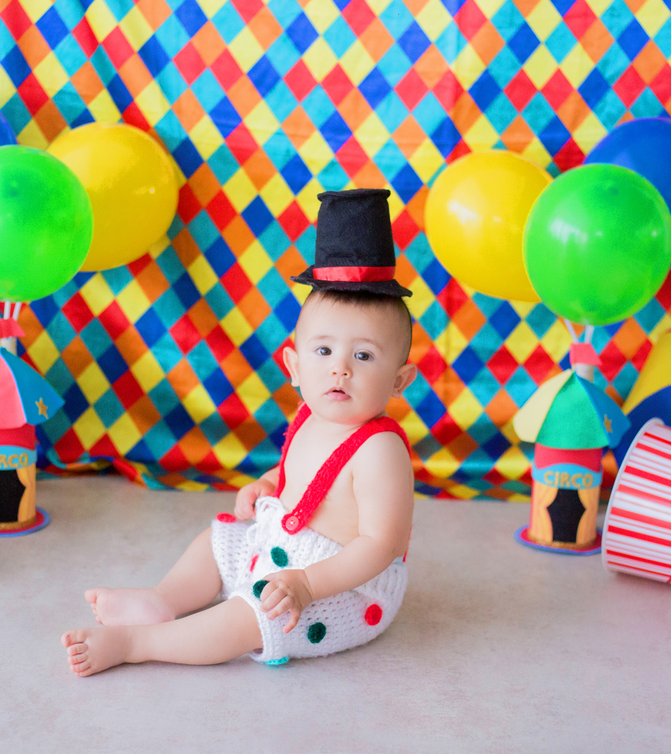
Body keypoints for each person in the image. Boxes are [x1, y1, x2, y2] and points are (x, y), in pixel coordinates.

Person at [62, 189, 419, 674]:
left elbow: (380, 544)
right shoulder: (314, 417)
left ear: (399, 380)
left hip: (344, 585)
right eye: (323, 352)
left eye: (363, 356)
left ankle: (137, 643)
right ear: (293, 364)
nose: (340, 370)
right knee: (218, 543)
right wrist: (271, 483)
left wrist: (308, 585)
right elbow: (309, 475)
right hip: (284, 547)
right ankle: (162, 599)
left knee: (251, 617)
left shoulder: (380, 451)